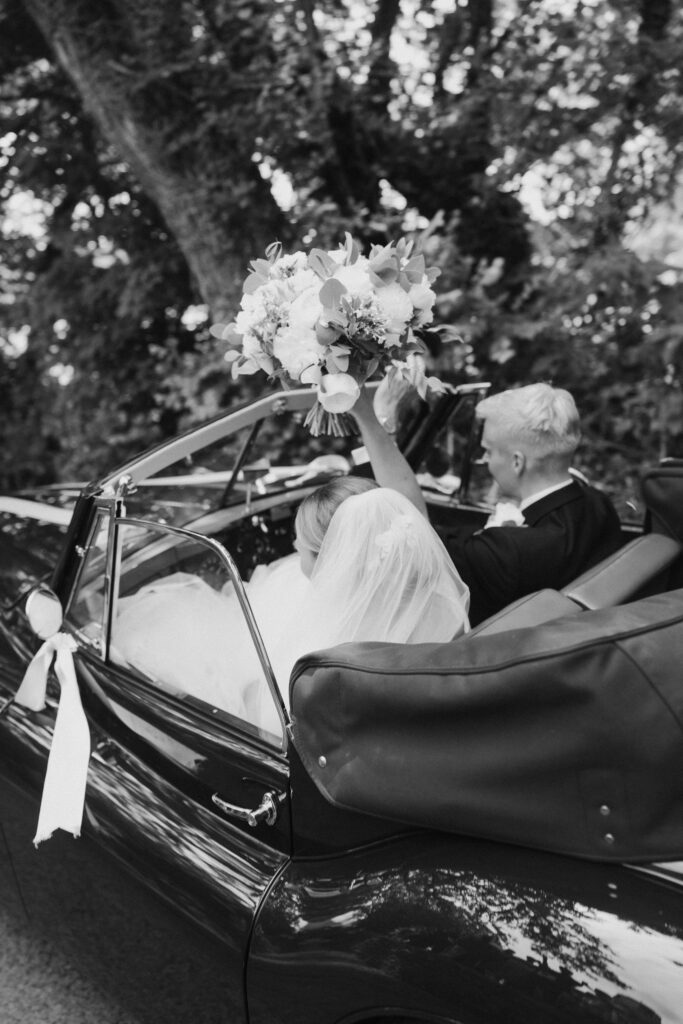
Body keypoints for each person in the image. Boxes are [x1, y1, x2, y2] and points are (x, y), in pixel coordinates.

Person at [352, 382, 622, 625]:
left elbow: (409, 528)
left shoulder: (510, 553)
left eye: (488, 450)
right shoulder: (598, 505)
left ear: (517, 461)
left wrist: (375, 419)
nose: (484, 459)